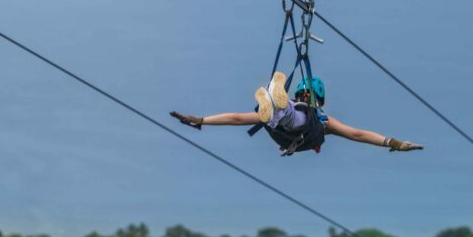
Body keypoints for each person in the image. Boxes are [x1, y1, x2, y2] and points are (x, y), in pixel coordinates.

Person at [170, 72, 424, 152]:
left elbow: (237, 118)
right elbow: (357, 134)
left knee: (282, 113)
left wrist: (202, 120)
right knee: (281, 112)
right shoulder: (324, 118)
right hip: (283, 125)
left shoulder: (320, 120)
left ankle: (273, 98)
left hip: (292, 127)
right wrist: (393, 143)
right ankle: (274, 101)